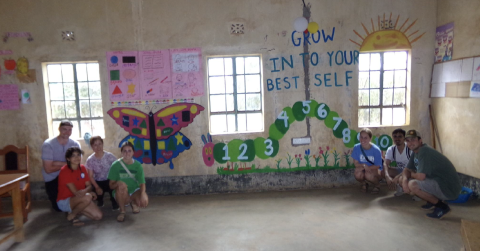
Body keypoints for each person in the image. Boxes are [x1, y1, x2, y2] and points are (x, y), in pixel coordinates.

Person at [401, 130, 461, 219]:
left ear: (420, 140)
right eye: (408, 140)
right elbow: (407, 169)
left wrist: (410, 175)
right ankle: (432, 201)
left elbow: (421, 176)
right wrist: (404, 180)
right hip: (439, 181)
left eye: (413, 139)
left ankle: (442, 207)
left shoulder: (424, 151)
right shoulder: (416, 152)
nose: (410, 143)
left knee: (413, 184)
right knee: (406, 180)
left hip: (448, 187)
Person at [57, 147, 103, 226]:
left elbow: (89, 186)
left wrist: (88, 191)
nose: (76, 157)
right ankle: (73, 214)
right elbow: (76, 193)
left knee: (98, 216)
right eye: (73, 156)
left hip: (81, 198)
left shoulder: (82, 168)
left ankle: (76, 210)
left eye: (78, 155)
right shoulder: (64, 170)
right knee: (88, 197)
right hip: (65, 201)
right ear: (68, 159)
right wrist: (88, 193)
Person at [41, 120, 81, 212]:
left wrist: (55, 162)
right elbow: (48, 169)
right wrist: (68, 164)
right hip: (53, 178)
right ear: (59, 129)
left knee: (76, 201)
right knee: (58, 208)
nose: (67, 132)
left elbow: (77, 164)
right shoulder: (48, 145)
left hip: (70, 176)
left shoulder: (75, 144)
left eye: (69, 130)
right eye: (64, 129)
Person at [108, 142, 149, 222]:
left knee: (143, 201)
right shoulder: (115, 165)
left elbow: (142, 183)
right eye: (125, 151)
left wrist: (143, 194)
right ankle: (122, 211)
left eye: (129, 151)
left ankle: (133, 202)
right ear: (121, 152)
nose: (127, 153)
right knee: (122, 185)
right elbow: (111, 185)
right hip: (121, 192)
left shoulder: (137, 165)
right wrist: (117, 184)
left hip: (134, 190)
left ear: (133, 152)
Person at [85, 136, 119, 210]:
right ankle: (100, 200)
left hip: (110, 179)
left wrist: (115, 181)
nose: (98, 147)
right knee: (97, 191)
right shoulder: (90, 160)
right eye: (95, 145)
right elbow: (90, 176)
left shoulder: (110, 156)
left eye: (100, 144)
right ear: (92, 147)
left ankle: (114, 201)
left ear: (103, 144)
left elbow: (117, 169)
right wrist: (97, 187)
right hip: (98, 181)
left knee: (113, 189)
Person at [352, 128, 383, 194]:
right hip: (363, 168)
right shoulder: (356, 147)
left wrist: (367, 168)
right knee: (357, 173)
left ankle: (377, 184)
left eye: (366, 138)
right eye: (361, 137)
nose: (363, 140)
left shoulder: (376, 150)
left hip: (374, 169)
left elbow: (377, 166)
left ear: (370, 138)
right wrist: (364, 166)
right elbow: (356, 163)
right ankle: (364, 184)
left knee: (368, 175)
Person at [384, 128, 412, 196]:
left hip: (411, 170)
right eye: (395, 136)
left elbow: (412, 167)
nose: (397, 138)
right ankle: (400, 186)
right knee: (384, 171)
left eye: (400, 136)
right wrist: (387, 176)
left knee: (400, 179)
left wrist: (397, 177)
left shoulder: (410, 148)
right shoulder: (391, 149)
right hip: (400, 170)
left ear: (404, 138)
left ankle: (415, 193)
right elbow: (385, 163)